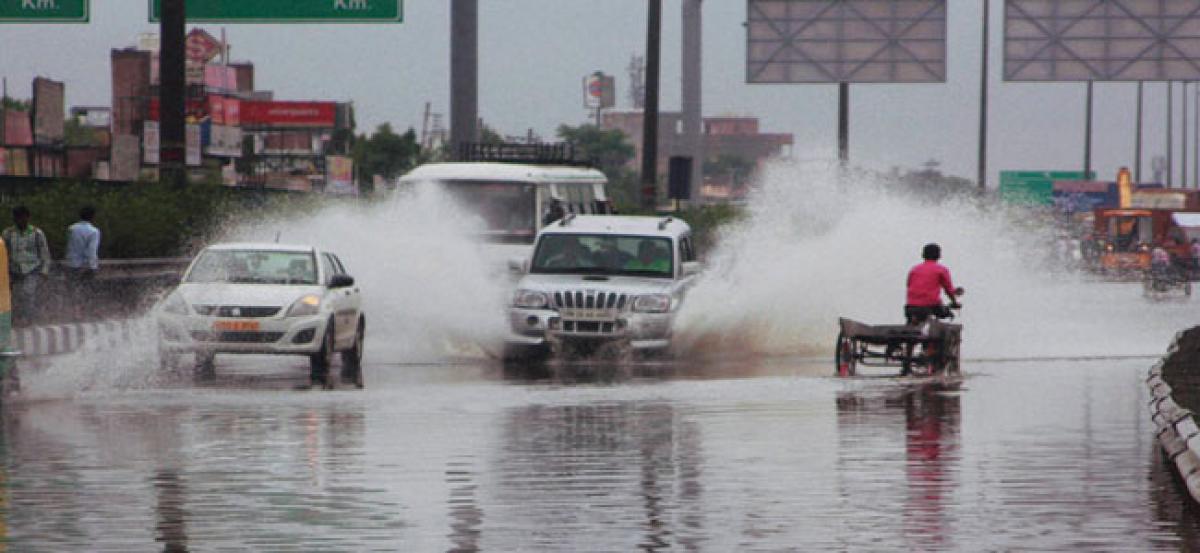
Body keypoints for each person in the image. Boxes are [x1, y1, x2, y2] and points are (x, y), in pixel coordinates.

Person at [2, 206, 52, 326]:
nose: (20, 220)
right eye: (17, 218)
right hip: (13, 269)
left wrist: (45, 270)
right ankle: (10, 319)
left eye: (22, 217)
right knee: (8, 296)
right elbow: (3, 253)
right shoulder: (8, 233)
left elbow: (44, 252)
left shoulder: (36, 233)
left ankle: (28, 319)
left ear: (28, 218)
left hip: (32, 269)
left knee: (28, 293)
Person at [905, 243, 959, 326]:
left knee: (912, 327)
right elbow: (949, 290)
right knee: (947, 314)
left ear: (923, 255)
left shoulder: (914, 270)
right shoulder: (941, 270)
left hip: (910, 307)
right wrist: (954, 302)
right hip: (931, 306)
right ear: (939, 255)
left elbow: (909, 285)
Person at [64, 206, 101, 319]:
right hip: (85, 265)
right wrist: (92, 266)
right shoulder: (94, 231)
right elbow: (91, 250)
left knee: (72, 289)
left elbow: (68, 246)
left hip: (71, 263)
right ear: (93, 217)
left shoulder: (71, 229)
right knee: (86, 289)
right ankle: (84, 313)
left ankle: (74, 312)